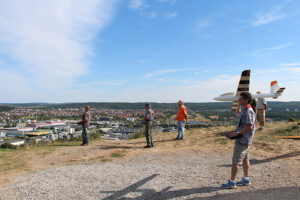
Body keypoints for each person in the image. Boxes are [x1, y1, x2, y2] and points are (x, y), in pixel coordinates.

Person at [222, 92, 256, 189]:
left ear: (246, 100)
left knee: (236, 161)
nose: (239, 100)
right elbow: (238, 113)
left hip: (243, 140)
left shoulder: (249, 111)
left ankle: (232, 182)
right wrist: (238, 104)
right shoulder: (246, 110)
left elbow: (250, 127)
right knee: (245, 160)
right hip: (244, 140)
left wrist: (237, 133)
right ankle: (246, 179)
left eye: (241, 99)